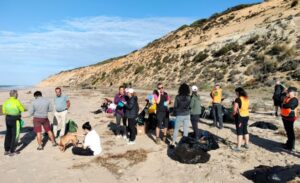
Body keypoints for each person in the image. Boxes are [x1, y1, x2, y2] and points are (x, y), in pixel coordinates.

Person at [2, 90, 25, 156]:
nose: (17, 95)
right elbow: (22, 109)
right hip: (15, 119)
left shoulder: (6, 101)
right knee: (15, 135)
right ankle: (12, 151)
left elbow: (4, 111)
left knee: (8, 134)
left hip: (7, 118)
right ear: (15, 95)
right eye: (17, 94)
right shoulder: (16, 101)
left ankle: (6, 150)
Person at [232, 87, 250, 152]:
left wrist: (233, 114)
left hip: (240, 117)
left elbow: (234, 109)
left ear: (238, 92)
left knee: (239, 132)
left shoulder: (237, 99)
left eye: (236, 92)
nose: (235, 93)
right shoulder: (246, 98)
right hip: (246, 115)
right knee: (245, 130)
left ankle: (238, 147)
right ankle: (247, 144)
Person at [280, 87, 298, 151]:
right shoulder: (287, 98)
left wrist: (283, 105)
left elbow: (288, 105)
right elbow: (280, 101)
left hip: (290, 117)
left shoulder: (294, 99)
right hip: (285, 117)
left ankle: (291, 146)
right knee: (288, 131)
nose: (287, 93)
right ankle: (288, 143)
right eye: (287, 92)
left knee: (290, 132)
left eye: (288, 92)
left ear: (293, 92)